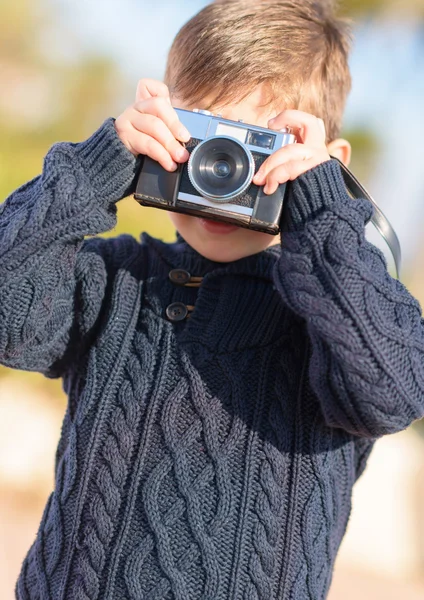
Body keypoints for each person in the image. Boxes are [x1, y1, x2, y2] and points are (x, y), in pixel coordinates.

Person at [1, 1, 423, 599]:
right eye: (205, 141)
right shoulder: (119, 279)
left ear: (327, 163)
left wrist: (325, 215)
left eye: (258, 151)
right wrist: (95, 168)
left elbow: (395, 389)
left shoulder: (334, 312)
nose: (223, 172)